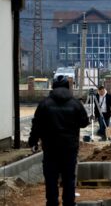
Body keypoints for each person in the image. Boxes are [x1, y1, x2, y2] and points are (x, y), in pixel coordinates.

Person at [28, 75, 90, 206]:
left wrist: (32, 141)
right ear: (68, 87)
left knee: (51, 178)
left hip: (50, 149)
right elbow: (84, 122)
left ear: (53, 87)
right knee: (68, 178)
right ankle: (69, 203)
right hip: (70, 148)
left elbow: (37, 125)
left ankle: (52, 203)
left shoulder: (45, 104)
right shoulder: (75, 103)